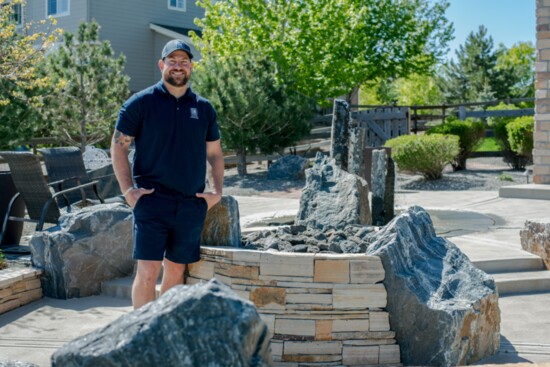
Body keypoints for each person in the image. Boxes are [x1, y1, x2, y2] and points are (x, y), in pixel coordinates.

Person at [111, 39, 224, 309]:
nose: (178, 66)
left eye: (183, 61)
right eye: (172, 61)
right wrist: (129, 192)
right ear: (161, 64)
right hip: (151, 200)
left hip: (190, 203)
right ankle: (140, 334)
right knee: (148, 271)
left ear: (191, 67)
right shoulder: (140, 103)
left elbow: (215, 154)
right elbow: (118, 149)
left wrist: (216, 192)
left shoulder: (204, 108)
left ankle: (162, 332)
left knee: (176, 272)